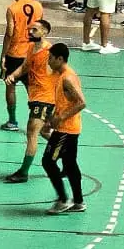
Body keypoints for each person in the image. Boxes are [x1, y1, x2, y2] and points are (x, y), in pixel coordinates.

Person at [3, 20, 53, 183]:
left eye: (35, 29)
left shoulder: (49, 52)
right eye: (30, 29)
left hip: (45, 98)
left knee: (32, 132)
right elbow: (24, 67)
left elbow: (58, 75)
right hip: (35, 96)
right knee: (45, 132)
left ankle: (23, 172)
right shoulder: (31, 48)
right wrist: (12, 75)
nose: (30, 32)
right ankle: (67, 154)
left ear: (44, 32)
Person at [43, 42, 88, 214]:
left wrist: (60, 118)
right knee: (69, 164)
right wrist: (51, 120)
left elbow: (82, 103)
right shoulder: (61, 76)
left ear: (60, 58)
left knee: (48, 161)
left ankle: (63, 199)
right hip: (68, 127)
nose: (48, 61)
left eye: (51, 58)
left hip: (66, 129)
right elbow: (64, 102)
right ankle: (79, 201)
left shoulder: (68, 78)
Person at [0, 0, 42, 132]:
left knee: (10, 86)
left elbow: (10, 32)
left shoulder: (13, 9)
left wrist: (3, 55)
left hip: (15, 54)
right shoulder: (38, 6)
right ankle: (40, 120)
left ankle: (12, 121)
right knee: (33, 89)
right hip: (32, 52)